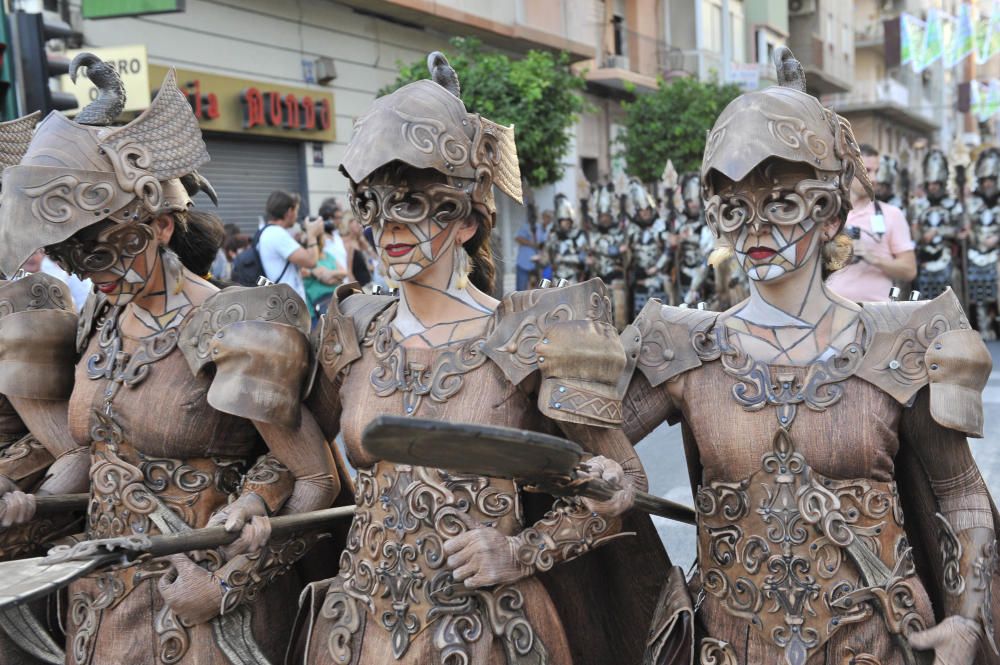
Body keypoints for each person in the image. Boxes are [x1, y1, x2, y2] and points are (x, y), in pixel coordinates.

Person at [625, 47, 998, 665]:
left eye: (781, 205)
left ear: (827, 214)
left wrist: (966, 618)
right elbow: (576, 446)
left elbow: (959, 491)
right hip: (732, 644)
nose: (755, 231)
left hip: (881, 643)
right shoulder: (682, 347)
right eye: (733, 211)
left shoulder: (902, 340)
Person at [298, 52, 665, 665]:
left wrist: (521, 551)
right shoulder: (352, 324)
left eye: (410, 203)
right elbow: (306, 462)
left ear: (464, 220)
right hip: (358, 627)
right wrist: (254, 507)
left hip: (489, 629)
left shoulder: (533, 330)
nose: (386, 224)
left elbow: (624, 483)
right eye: (372, 204)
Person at [0, 55, 343, 665]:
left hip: (199, 610)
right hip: (102, 602)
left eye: (100, 252)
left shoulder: (233, 323)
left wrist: (228, 579)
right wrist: (29, 504)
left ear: (158, 225)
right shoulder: (99, 321)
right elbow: (95, 455)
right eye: (70, 259)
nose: (86, 274)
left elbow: (314, 478)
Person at [827, 144, 917, 302]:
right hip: (832, 311)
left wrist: (872, 258)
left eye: (876, 171)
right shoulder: (827, 213)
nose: (874, 179)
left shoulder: (892, 214)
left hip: (877, 314)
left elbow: (910, 271)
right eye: (867, 171)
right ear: (848, 172)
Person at [910, 149, 964, 300]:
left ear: (943, 183)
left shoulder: (953, 204)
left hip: (946, 257)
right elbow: (915, 235)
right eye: (930, 183)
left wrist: (937, 231)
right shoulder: (918, 205)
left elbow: (960, 231)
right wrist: (916, 232)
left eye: (936, 184)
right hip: (924, 260)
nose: (933, 187)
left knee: (948, 300)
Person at [257, 190, 324, 298]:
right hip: (288, 305)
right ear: (289, 211)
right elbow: (311, 261)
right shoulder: (277, 234)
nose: (297, 216)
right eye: (296, 210)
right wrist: (312, 235)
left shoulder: (268, 232)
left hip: (284, 302)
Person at [964, 147, 1000, 340]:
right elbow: (967, 225)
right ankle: (983, 326)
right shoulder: (973, 202)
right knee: (978, 290)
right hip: (977, 252)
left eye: (990, 180)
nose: (987, 184)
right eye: (984, 181)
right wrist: (967, 232)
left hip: (997, 253)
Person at [625, 179, 669, 313]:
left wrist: (657, 267)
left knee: (660, 317)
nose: (645, 213)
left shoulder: (660, 227)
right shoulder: (632, 230)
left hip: (658, 278)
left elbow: (669, 250)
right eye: (642, 211)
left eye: (647, 210)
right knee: (640, 318)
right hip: (639, 280)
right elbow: (627, 255)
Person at [588, 181, 629, 327]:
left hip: (616, 277)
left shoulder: (619, 232)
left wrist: (624, 251)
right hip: (598, 277)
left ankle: (619, 335)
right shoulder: (592, 234)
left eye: (607, 216)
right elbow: (598, 247)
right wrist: (616, 250)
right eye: (602, 216)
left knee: (620, 311)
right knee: (599, 311)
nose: (604, 218)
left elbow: (627, 250)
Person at [544, 194, 589, 284]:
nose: (565, 224)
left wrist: (563, 258)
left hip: (573, 277)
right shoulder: (553, 236)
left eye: (567, 221)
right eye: (563, 221)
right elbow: (548, 257)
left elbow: (582, 258)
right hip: (556, 277)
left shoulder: (578, 235)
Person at [514, 212, 546, 291]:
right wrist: (532, 244)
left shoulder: (541, 229)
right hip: (523, 263)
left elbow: (542, 245)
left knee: (538, 289)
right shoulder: (526, 226)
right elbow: (518, 238)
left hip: (536, 264)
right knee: (520, 290)